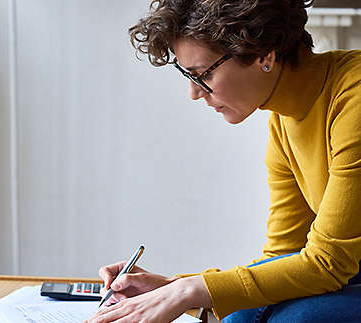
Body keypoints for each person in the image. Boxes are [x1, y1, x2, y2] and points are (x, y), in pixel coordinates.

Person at [86, 0, 361, 322]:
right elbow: (284, 253)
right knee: (241, 315)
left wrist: (189, 291)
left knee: (298, 319)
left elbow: (327, 263)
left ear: (265, 54)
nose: (194, 92)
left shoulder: (353, 99)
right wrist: (173, 286)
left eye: (201, 74)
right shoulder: (284, 118)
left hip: (344, 266)